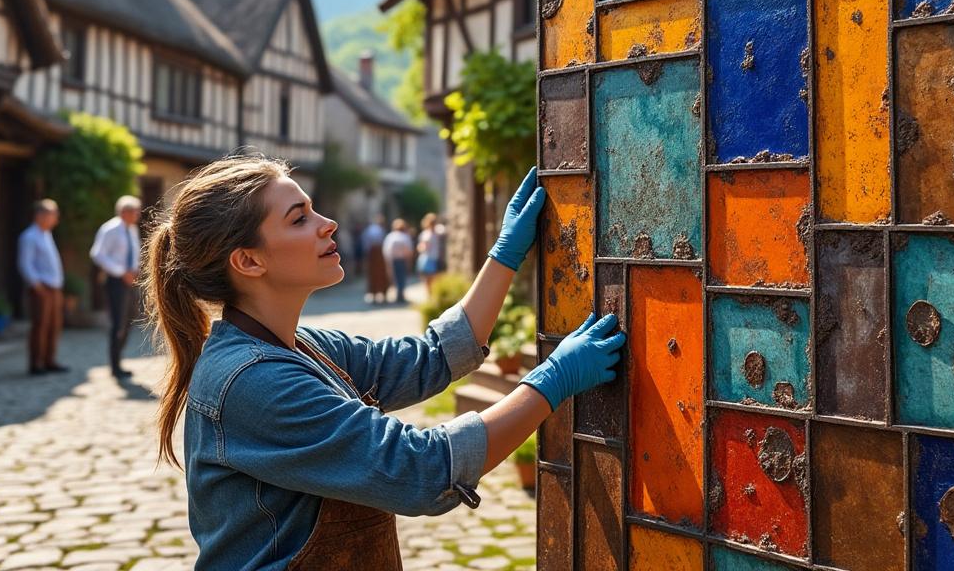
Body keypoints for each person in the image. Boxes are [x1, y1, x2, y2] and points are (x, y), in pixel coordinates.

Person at [143, 157, 622, 570]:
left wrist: (505, 254)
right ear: (249, 262)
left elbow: (429, 358)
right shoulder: (254, 381)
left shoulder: (301, 346)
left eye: (313, 209)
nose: (328, 223)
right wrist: (551, 381)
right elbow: (421, 469)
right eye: (299, 219)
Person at [90, 195, 142, 379]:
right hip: (115, 281)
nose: (137, 215)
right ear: (124, 212)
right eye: (134, 211)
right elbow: (97, 254)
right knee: (118, 322)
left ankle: (119, 357)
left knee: (129, 319)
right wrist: (121, 272)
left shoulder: (132, 230)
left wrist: (134, 272)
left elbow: (134, 254)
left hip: (130, 280)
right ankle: (115, 365)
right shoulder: (110, 229)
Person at [17, 199, 67, 376]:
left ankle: (49, 360)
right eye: (53, 215)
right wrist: (36, 285)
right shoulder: (29, 236)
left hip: (54, 287)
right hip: (42, 288)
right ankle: (36, 363)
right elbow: (25, 263)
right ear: (40, 216)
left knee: (54, 325)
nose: (56, 219)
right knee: (40, 325)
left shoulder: (46, 234)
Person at [382, 219, 415, 304]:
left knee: (395, 278)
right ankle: (400, 294)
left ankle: (398, 294)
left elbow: (386, 250)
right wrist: (409, 261)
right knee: (402, 278)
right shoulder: (405, 237)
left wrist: (387, 261)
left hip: (393, 259)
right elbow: (409, 250)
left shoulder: (390, 236)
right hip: (402, 260)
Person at [361, 214, 389, 304]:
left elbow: (365, 242)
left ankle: (375, 295)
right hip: (376, 254)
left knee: (375, 275)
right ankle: (378, 295)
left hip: (373, 254)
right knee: (377, 275)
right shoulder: (378, 229)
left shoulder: (370, 229)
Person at [416, 213, 444, 290]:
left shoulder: (437, 232)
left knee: (434, 279)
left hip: (435, 257)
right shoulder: (426, 234)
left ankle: (431, 293)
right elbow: (422, 247)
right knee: (429, 278)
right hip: (428, 258)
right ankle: (429, 293)